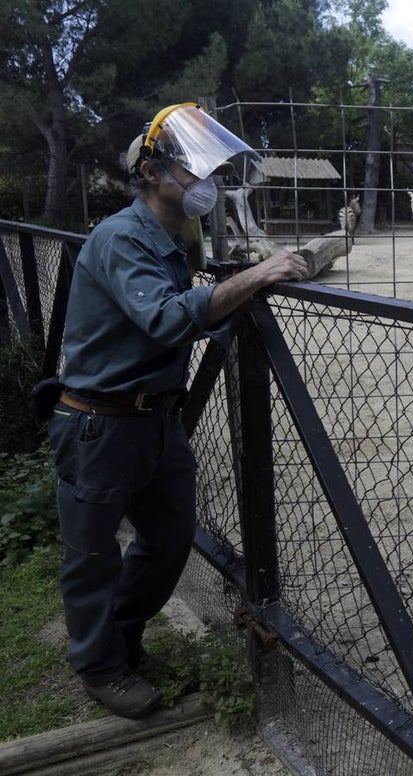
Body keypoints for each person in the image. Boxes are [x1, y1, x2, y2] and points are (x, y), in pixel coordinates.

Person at [45, 103, 308, 719]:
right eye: (194, 172)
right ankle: (100, 667)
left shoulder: (169, 239)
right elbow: (165, 319)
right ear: (154, 173)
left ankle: (123, 637)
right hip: (100, 423)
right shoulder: (122, 237)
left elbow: (181, 309)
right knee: (92, 556)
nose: (207, 184)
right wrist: (257, 276)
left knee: (167, 540)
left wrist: (226, 294)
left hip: (156, 421)